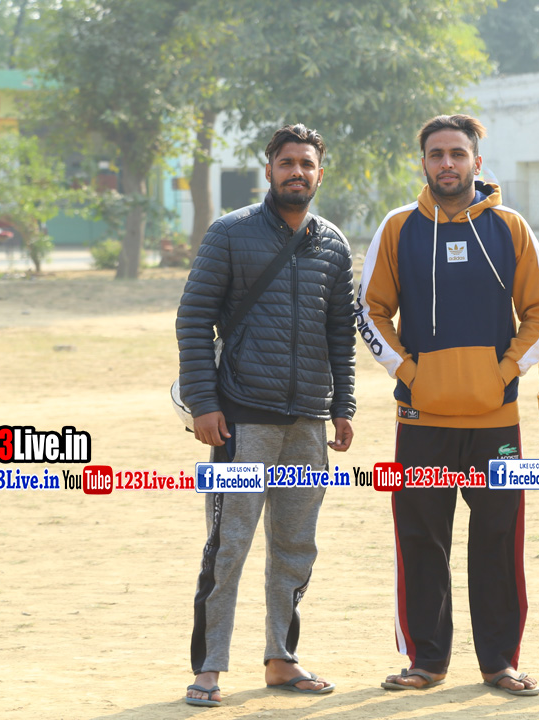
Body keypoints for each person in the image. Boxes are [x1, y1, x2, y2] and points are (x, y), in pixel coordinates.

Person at [357, 114, 539, 696]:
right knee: (421, 540)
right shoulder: (398, 227)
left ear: (476, 161)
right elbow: (370, 311)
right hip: (421, 419)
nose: (447, 163)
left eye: (458, 153)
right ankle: (426, 661)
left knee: (498, 541)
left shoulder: (510, 227)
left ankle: (499, 663)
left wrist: (505, 372)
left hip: (496, 421)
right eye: (436, 154)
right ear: (423, 162)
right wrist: (409, 372)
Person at [176, 124, 356, 707]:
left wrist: (343, 407)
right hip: (241, 421)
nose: (296, 172)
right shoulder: (230, 233)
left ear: (319, 172)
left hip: (307, 423)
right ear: (270, 169)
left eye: (306, 163)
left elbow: (340, 335)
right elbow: (193, 319)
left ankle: (282, 658)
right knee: (228, 545)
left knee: (296, 545)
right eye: (286, 162)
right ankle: (209, 668)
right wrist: (205, 403)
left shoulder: (333, 244)